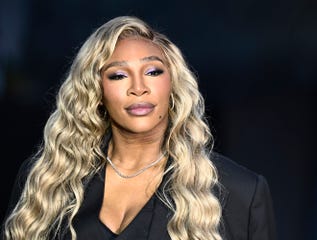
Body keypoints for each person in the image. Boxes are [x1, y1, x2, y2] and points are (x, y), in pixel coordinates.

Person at [2, 16, 277, 240]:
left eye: (153, 71)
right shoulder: (45, 182)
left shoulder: (240, 193)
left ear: (173, 84)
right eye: (118, 75)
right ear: (96, 90)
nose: (138, 88)